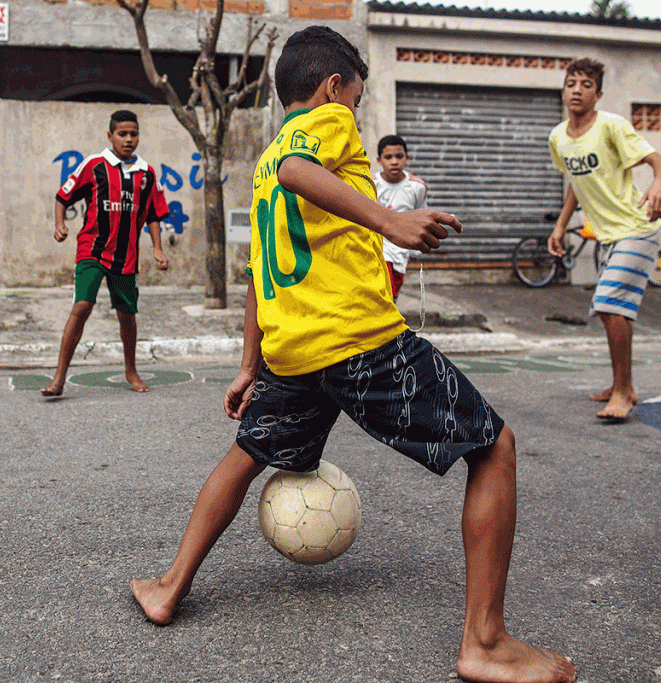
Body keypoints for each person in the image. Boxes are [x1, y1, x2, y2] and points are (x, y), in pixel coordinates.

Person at [131, 26, 577, 683]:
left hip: (293, 351)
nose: (357, 114)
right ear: (334, 86)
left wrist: (250, 362)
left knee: (247, 454)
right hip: (357, 340)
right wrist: (388, 218)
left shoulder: (263, 163)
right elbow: (298, 170)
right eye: (357, 98)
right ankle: (485, 640)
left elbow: (260, 266)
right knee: (494, 447)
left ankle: (169, 585)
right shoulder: (322, 126)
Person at [547, 58, 661, 422]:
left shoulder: (612, 125)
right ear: (563, 89)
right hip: (607, 236)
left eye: (586, 85)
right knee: (617, 312)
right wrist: (560, 226)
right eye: (571, 83)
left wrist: (659, 183)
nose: (577, 90)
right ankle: (623, 384)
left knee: (608, 305)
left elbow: (658, 161)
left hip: (638, 227)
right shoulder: (558, 137)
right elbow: (575, 183)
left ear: (597, 94)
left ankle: (622, 392)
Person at [41, 110, 169, 397]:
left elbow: (153, 214)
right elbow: (63, 196)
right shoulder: (95, 165)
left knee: (126, 314)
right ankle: (59, 378)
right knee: (82, 307)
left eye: (133, 134)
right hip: (92, 249)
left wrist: (158, 248)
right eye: (122, 134)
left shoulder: (146, 173)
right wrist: (60, 224)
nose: (128, 139)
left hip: (126, 257)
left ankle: (130, 370)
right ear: (110, 136)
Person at [374, 134, 428, 300]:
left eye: (399, 156)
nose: (394, 161)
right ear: (379, 160)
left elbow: (421, 215)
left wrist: (417, 244)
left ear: (407, 158)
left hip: (401, 252)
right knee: (382, 294)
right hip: (378, 250)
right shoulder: (371, 183)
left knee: (392, 297)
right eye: (388, 157)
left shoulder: (417, 187)